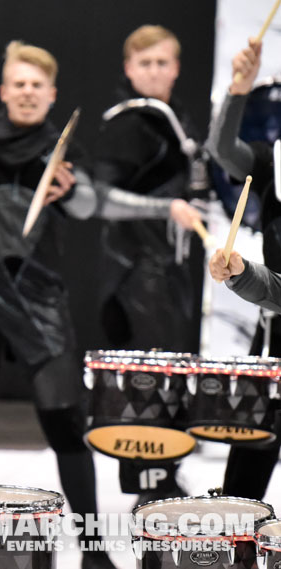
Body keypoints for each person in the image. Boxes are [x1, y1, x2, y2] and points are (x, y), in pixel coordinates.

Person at [0, 40, 201, 567]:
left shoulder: (66, 154)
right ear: (3, 91)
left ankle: (92, 549)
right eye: (19, 83)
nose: (28, 92)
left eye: (37, 85)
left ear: (52, 94)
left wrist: (86, 194)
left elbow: (90, 205)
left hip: (42, 298)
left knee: (66, 427)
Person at [92, 25, 208, 499]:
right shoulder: (127, 121)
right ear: (128, 69)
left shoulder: (171, 116)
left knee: (170, 370)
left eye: (162, 62)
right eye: (145, 63)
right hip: (136, 266)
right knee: (149, 375)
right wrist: (166, 210)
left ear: (176, 68)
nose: (154, 71)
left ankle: (163, 472)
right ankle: (147, 482)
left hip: (169, 266)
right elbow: (100, 199)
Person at [205, 37, 281, 500]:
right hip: (274, 328)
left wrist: (243, 276)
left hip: (270, 300)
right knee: (245, 475)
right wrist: (238, 90)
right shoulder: (275, 159)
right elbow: (222, 150)